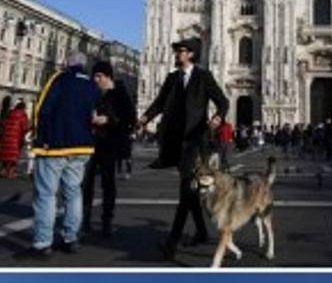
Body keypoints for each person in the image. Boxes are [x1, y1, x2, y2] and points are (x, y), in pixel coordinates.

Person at [141, 37, 229, 260]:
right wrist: (145, 116)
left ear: (191, 54)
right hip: (174, 141)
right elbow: (160, 102)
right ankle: (200, 231)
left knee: (186, 191)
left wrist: (218, 117)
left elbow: (223, 101)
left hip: (195, 142)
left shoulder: (203, 76)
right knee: (189, 191)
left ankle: (171, 243)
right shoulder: (172, 78)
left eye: (181, 51)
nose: (177, 54)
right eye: (177, 51)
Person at [17, 51, 99, 260]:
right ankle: (70, 238)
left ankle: (42, 243)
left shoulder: (59, 79)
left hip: (55, 144)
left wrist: (39, 137)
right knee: (73, 193)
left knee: (46, 194)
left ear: (66, 63)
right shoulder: (91, 85)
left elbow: (42, 108)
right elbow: (94, 115)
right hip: (82, 148)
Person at [82, 61, 136, 238]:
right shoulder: (92, 92)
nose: (96, 79)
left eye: (99, 76)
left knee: (108, 183)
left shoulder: (120, 93)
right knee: (86, 182)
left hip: (111, 143)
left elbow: (130, 117)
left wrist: (109, 119)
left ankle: (106, 221)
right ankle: (85, 219)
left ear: (108, 76)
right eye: (94, 76)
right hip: (91, 141)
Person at [0, 100, 29, 179]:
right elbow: (25, 128)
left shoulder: (9, 114)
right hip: (15, 139)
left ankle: (2, 172)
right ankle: (10, 173)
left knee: (5, 156)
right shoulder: (22, 116)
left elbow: (2, 124)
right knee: (13, 157)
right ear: (23, 108)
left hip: (5, 138)